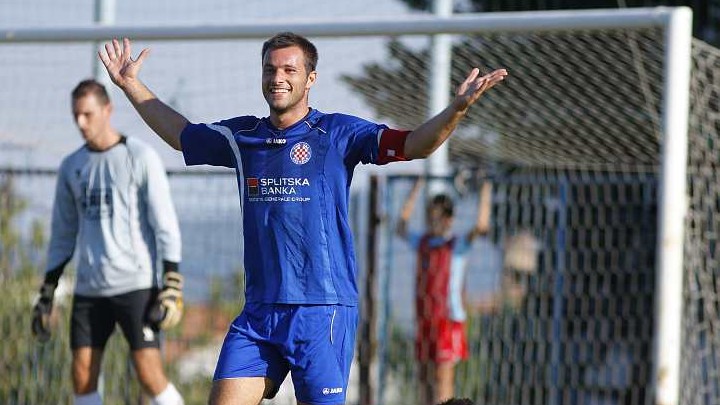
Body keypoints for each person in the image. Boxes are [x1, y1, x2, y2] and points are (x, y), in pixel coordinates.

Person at [97, 32, 507, 405]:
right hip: (259, 315)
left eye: (289, 70)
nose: (278, 78)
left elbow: (414, 144)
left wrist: (456, 109)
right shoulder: (243, 138)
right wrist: (130, 84)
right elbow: (181, 134)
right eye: (270, 69)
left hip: (321, 312)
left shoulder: (339, 133)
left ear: (310, 78)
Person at [30, 79, 185, 405]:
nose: (81, 122)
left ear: (107, 110)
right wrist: (47, 291)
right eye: (76, 115)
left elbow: (165, 224)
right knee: (82, 375)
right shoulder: (71, 166)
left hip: (136, 284)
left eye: (87, 114)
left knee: (149, 375)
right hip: (89, 289)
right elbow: (62, 234)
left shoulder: (140, 156)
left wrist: (172, 280)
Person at [396, 179, 492, 405]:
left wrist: (485, 188)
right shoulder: (423, 242)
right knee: (423, 378)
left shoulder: (457, 245)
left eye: (437, 217)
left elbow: (481, 226)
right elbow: (401, 227)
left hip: (447, 321)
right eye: (430, 217)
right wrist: (416, 188)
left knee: (443, 380)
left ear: (449, 219)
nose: (433, 222)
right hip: (425, 319)